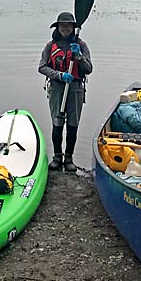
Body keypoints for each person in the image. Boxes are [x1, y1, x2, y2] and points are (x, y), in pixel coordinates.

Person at [38, 12, 93, 172]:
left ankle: (69, 158)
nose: (65, 28)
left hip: (75, 89)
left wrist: (79, 57)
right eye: (62, 25)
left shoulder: (81, 46)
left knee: (72, 124)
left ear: (73, 28)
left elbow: (89, 69)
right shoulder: (50, 46)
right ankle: (57, 156)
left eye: (68, 26)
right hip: (57, 88)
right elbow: (42, 67)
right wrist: (60, 75)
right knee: (57, 123)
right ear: (58, 27)